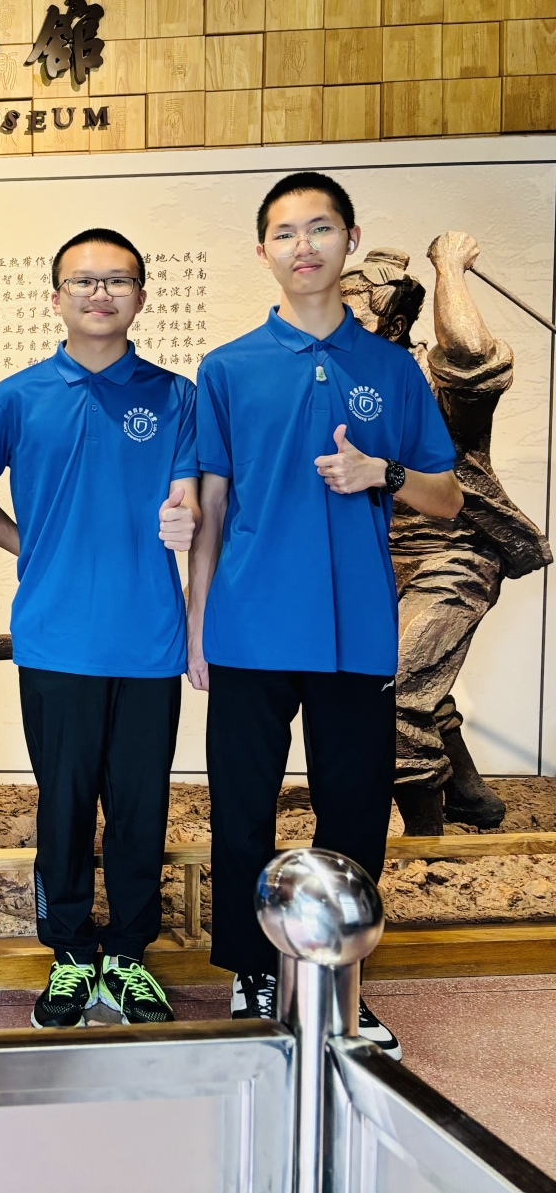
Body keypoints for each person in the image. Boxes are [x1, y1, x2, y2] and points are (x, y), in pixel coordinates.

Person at [190, 172, 462, 1061]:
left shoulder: (392, 369)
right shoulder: (227, 368)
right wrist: (197, 625)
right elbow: (212, 506)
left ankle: (337, 976)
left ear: (350, 240)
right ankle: (251, 972)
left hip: (356, 632)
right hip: (249, 627)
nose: (303, 245)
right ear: (262, 250)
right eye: (285, 232)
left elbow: (448, 498)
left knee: (353, 814)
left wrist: (382, 473)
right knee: (242, 812)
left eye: (320, 228)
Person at [0, 229, 199, 1032]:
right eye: (84, 281)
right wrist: (25, 543)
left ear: (141, 296)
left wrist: (186, 518)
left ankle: (128, 956)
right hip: (55, 636)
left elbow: (194, 493)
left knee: (140, 806)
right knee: (63, 804)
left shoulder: (175, 397)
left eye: (118, 281)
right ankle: (69, 951)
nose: (101, 294)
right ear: (56, 296)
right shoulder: (19, 396)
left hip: (149, 637)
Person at [339, 240, 551, 836]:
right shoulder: (329, 379)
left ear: (395, 322)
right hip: (368, 557)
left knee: (396, 683)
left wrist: (449, 268)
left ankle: (425, 841)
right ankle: (470, 798)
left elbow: (473, 356)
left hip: (451, 553)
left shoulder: (437, 380)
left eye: (354, 314)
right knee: (406, 671)